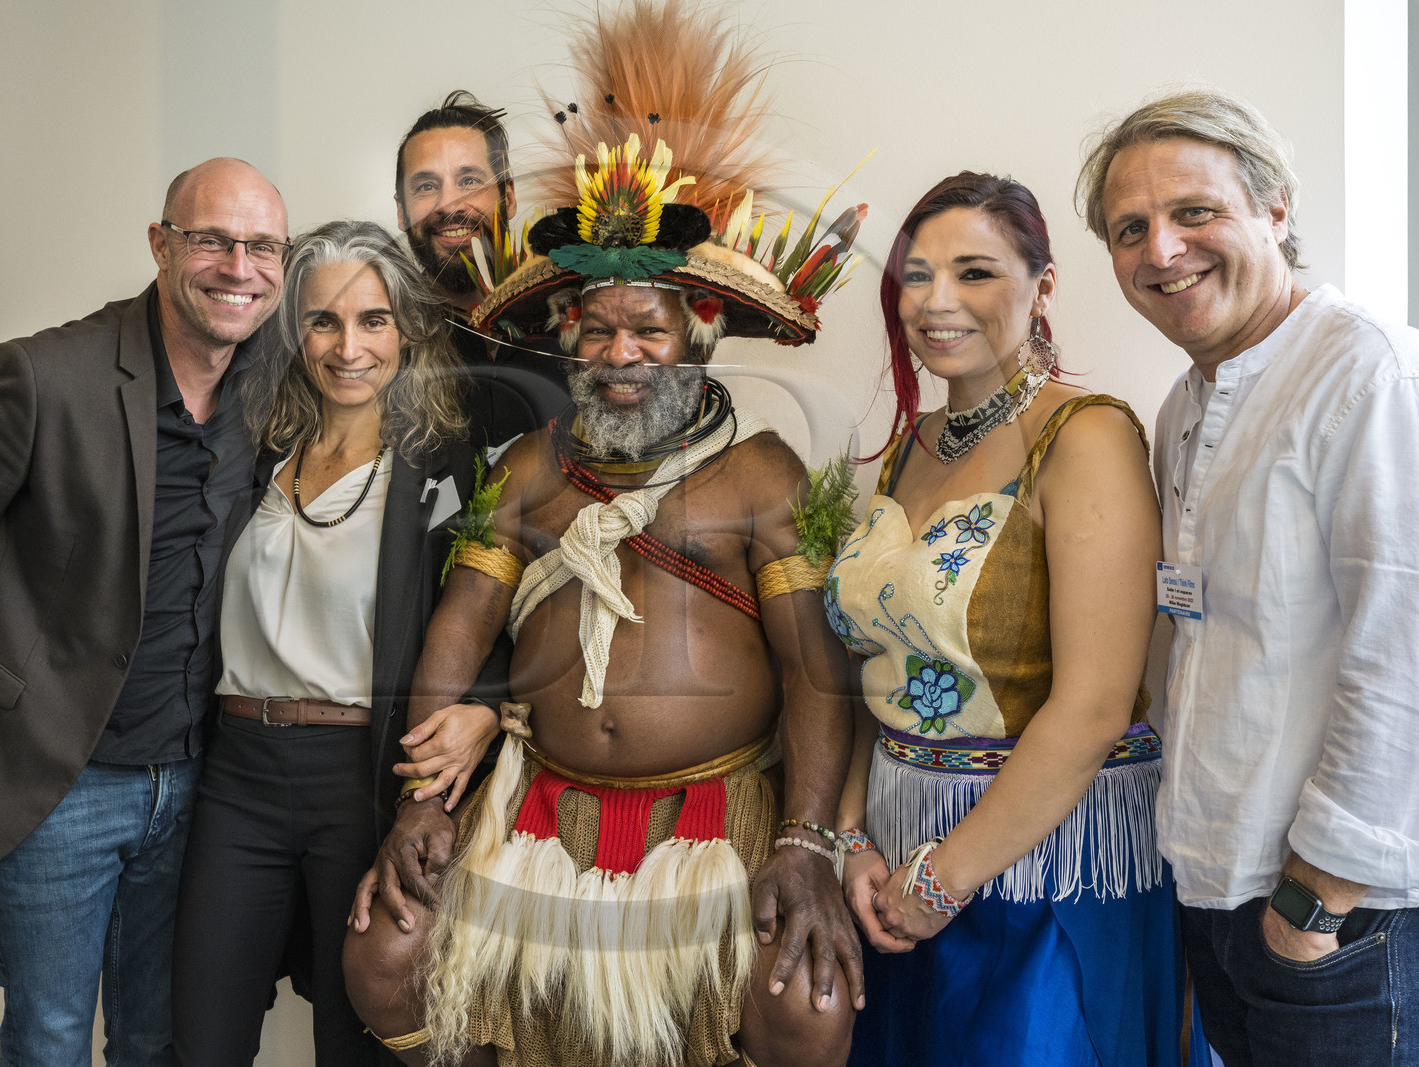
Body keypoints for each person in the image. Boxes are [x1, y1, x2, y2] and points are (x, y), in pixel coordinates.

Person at [343, 6, 872, 1064]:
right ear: (569, 339)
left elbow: (816, 674)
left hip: (711, 811)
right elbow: (460, 628)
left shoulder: (761, 472)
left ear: (697, 339)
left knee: (804, 1009)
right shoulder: (534, 467)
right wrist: (421, 801)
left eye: (649, 328)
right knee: (384, 954)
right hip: (538, 800)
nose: (621, 350)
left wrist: (807, 841)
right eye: (598, 328)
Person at [0, 158, 289, 1064]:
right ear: (160, 243)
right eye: (211, 239)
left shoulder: (270, 389)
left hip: (196, 779)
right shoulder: (44, 376)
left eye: (262, 247)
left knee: (152, 1035)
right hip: (60, 781)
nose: (237, 266)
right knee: (50, 1038)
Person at [1078, 88, 1419, 1065]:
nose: (1161, 251)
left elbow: (1398, 657)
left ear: (1274, 207)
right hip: (1220, 889)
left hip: (1338, 919)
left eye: (1195, 212)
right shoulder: (1184, 402)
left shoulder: (1364, 373)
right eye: (1129, 229)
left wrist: (1312, 904)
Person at [824, 172, 1182, 1065]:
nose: (937, 301)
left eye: (975, 272)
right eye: (915, 275)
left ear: (1041, 286)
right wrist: (852, 836)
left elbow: (1097, 704)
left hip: (1042, 870)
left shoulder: (1087, 436)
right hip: (901, 865)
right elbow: (886, 660)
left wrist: (942, 881)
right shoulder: (912, 444)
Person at [166, 219, 498, 1065]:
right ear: (293, 331)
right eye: (323, 321)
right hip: (235, 771)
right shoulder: (253, 447)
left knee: (352, 1040)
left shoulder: (444, 468)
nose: (348, 346)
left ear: (407, 331)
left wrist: (490, 712)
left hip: (359, 780)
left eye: (373, 320)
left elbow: (503, 615)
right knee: (201, 1030)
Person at [395, 90, 570, 446]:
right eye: (426, 186)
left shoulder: (574, 318)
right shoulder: (382, 341)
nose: (448, 205)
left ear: (508, 198)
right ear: (401, 211)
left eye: (469, 181)